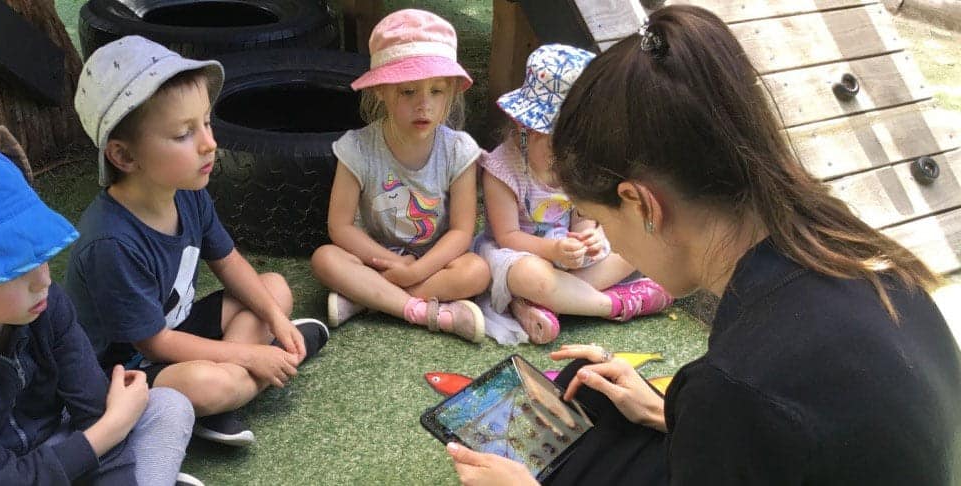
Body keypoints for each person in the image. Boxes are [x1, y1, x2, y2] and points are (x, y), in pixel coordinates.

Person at [447, 5, 961, 485]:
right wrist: (664, 409)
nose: (604, 243)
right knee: (592, 390)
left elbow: (758, 402)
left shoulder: (735, 390)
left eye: (602, 221)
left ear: (642, 205)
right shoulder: (839, 244)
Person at [66, 36, 329, 447]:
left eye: (205, 122)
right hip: (127, 372)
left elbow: (229, 262)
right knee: (210, 384)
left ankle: (239, 386)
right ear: (124, 156)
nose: (209, 142)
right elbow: (155, 342)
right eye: (183, 134)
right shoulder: (110, 243)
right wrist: (251, 354)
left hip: (180, 330)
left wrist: (275, 320)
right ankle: (244, 382)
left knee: (274, 288)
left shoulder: (187, 192)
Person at [0, 145, 200, 486]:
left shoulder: (45, 306)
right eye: (15, 269)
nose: (43, 280)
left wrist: (111, 448)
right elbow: (3, 480)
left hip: (63, 447)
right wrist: (112, 428)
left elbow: (93, 408)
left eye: (40, 253)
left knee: (168, 406)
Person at [311, 9, 491, 342]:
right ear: (381, 89)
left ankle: (367, 299)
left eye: (437, 91)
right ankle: (423, 312)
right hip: (374, 258)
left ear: (451, 92)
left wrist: (416, 270)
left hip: (433, 262)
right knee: (325, 259)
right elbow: (341, 226)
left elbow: (463, 230)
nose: (424, 105)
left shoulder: (459, 150)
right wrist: (385, 263)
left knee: (477, 272)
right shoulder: (357, 148)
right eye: (408, 92)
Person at [475, 44, 672, 345]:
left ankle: (550, 302)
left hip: (567, 257)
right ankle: (613, 304)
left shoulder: (576, 161)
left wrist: (591, 236)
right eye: (557, 146)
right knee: (531, 277)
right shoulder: (501, 169)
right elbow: (507, 236)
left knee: (634, 242)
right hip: (523, 254)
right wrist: (553, 252)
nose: (568, 157)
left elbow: (583, 216)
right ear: (524, 127)